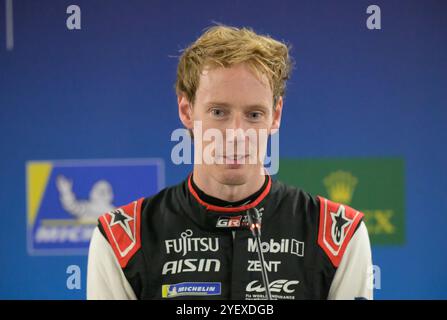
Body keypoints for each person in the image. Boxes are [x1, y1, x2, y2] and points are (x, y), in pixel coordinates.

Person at [87, 25, 373, 300]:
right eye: (218, 112)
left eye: (254, 115)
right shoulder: (123, 238)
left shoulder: (338, 236)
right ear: (186, 111)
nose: (236, 134)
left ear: (276, 115)